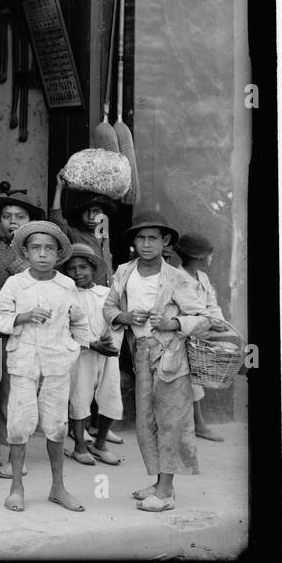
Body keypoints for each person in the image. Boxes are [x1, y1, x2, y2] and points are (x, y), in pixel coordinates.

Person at [105, 212, 217, 511]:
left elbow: (204, 319)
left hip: (171, 356)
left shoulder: (177, 278)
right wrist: (124, 317)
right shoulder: (124, 272)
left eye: (152, 238)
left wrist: (174, 323)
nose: (146, 244)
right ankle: (158, 482)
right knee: (147, 421)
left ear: (165, 241)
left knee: (171, 421)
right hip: (141, 353)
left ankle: (166, 492)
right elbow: (109, 305)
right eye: (140, 238)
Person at [0, 221, 91, 513]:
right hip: (23, 362)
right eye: (36, 248)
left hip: (57, 363)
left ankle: (58, 487)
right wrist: (23, 317)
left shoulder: (66, 285)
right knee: (19, 424)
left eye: (49, 248)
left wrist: (78, 346)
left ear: (59, 253)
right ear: (25, 251)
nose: (43, 254)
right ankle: (16, 487)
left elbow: (79, 320)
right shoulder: (16, 283)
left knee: (56, 425)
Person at [0, 194, 39, 475]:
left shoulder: (34, 251)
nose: (12, 222)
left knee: (10, 395)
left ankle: (15, 456)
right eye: (6, 216)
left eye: (20, 217)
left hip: (19, 334)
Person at [61, 244, 121, 466]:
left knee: (111, 395)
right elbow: (64, 328)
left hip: (107, 352)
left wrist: (108, 341)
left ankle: (101, 442)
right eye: (72, 268)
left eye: (83, 267)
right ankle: (79, 446)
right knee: (80, 397)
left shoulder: (106, 294)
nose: (78, 272)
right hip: (81, 354)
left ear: (94, 269)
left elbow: (115, 319)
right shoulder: (66, 295)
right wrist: (90, 344)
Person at [173, 232, 236, 443]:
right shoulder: (178, 278)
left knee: (195, 377)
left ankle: (195, 424)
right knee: (189, 380)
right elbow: (191, 308)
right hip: (181, 333)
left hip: (201, 332)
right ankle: (197, 425)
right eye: (208, 255)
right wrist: (210, 322)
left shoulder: (204, 278)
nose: (210, 259)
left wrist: (220, 322)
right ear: (198, 257)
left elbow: (211, 304)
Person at [51, 168, 116, 285]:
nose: (91, 217)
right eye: (86, 212)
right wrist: (59, 188)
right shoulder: (73, 234)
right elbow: (57, 221)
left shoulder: (103, 232)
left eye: (96, 211)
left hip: (105, 294)